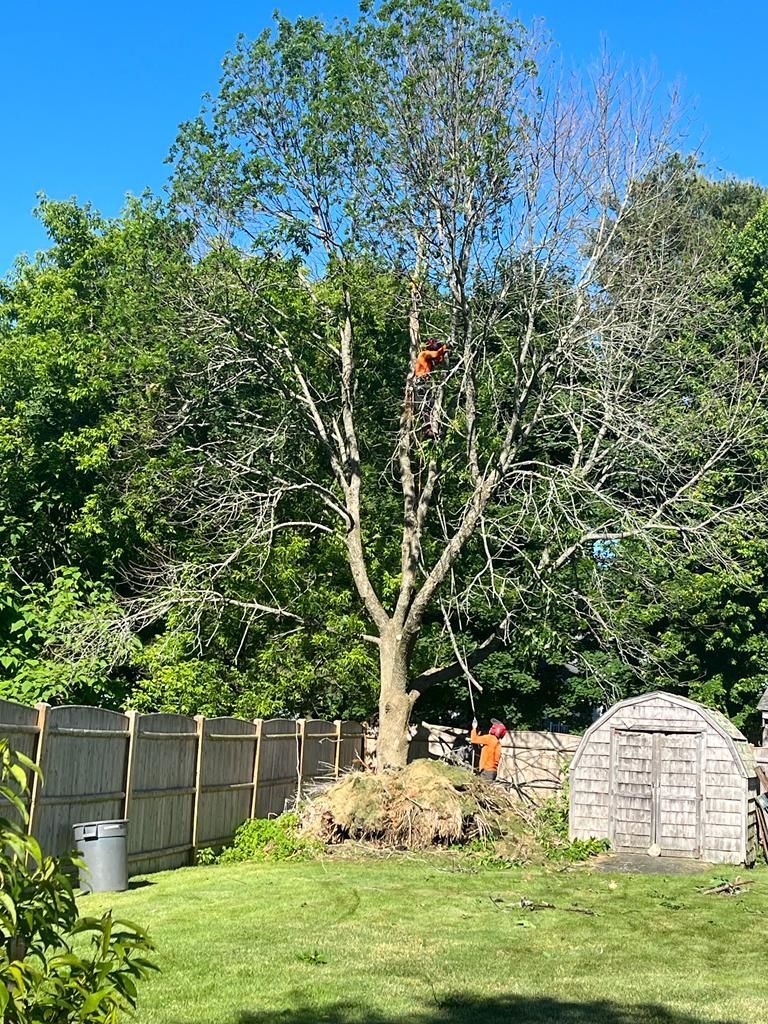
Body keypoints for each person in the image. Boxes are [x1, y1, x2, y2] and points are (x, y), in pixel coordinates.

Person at [411, 338, 449, 438]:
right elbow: (436, 354)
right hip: (420, 382)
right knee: (424, 406)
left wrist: (444, 353)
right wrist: (446, 346)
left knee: (430, 404)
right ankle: (427, 430)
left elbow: (438, 359)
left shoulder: (428, 361)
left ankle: (432, 427)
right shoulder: (424, 354)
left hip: (424, 383)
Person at [469, 717, 507, 781]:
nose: (490, 728)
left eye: (492, 727)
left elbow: (474, 739)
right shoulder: (498, 743)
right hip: (493, 772)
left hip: (486, 771)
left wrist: (474, 728)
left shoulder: (489, 738)